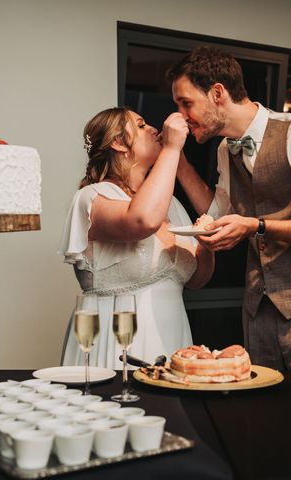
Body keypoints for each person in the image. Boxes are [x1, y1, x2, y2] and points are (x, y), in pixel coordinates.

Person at [167, 46, 291, 371]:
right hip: (258, 310)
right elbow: (219, 212)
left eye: (186, 103)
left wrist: (255, 225)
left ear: (216, 93)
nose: (182, 115)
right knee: (264, 416)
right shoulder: (226, 149)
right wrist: (178, 160)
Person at [59, 107, 215, 368]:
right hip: (116, 342)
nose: (154, 129)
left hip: (173, 342)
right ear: (118, 143)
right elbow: (142, 221)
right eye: (141, 125)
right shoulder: (93, 197)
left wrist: (208, 245)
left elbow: (197, 280)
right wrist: (172, 149)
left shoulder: (171, 204)